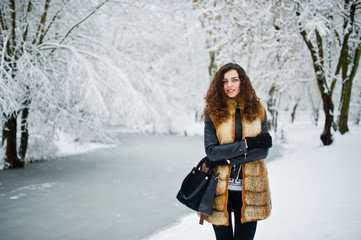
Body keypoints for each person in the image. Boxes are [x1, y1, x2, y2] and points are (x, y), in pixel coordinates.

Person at [201, 63, 272, 240]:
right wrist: (248, 144)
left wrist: (227, 159)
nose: (229, 85)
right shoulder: (213, 111)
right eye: (224, 81)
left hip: (251, 190)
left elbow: (263, 151)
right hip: (219, 189)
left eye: (234, 80)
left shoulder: (258, 109)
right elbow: (211, 152)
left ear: (242, 81)